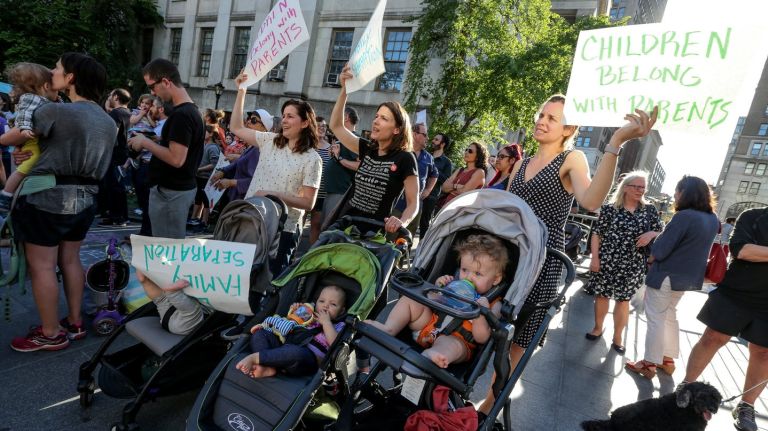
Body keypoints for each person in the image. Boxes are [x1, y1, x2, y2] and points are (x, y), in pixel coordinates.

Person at [477, 94, 657, 416]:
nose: (542, 121)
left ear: (568, 128)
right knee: (487, 326)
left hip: (543, 262)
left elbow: (591, 201)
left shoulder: (571, 159)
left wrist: (615, 143)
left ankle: (487, 408)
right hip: (509, 256)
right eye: (541, 115)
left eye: (552, 118)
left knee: (518, 340)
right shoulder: (520, 163)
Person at [7, 53, 116, 352]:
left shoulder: (55, 111)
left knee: (42, 266)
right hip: (87, 198)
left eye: (57, 68)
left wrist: (17, 149)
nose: (51, 72)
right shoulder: (108, 122)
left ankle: (50, 333)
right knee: (70, 259)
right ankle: (75, 322)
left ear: (70, 78)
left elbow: (19, 137)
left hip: (48, 195)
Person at [680, 207, 768, 431]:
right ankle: (687, 387)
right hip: (736, 292)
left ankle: (746, 406)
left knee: (764, 353)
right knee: (712, 338)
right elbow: (741, 250)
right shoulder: (752, 216)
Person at [625, 176, 719, 379]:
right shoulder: (712, 219)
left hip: (665, 275)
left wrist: (654, 246)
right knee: (669, 315)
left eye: (677, 190)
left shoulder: (684, 216)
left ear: (685, 192)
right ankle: (667, 359)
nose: (675, 194)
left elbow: (661, 249)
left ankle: (649, 362)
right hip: (686, 277)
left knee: (656, 318)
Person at [366, 234, 508, 368]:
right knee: (411, 300)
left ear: (496, 279)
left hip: (457, 339)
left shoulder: (494, 304)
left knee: (453, 345)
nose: (468, 278)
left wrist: (482, 313)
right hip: (428, 326)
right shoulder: (453, 283)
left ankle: (433, 355)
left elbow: (482, 338)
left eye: (477, 273)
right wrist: (438, 287)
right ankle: (389, 328)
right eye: (464, 270)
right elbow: (431, 300)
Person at [231, 72, 321, 276]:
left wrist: (273, 195)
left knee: (269, 283)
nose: (284, 120)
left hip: (283, 231)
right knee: (240, 279)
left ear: (305, 123)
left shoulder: (312, 159)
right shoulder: (269, 141)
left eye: (291, 116)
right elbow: (236, 127)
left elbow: (308, 203)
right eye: (284, 115)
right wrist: (242, 91)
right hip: (252, 221)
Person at [328, 64, 418, 234]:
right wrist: (344, 90)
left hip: (371, 235)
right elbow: (336, 126)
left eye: (384, 118)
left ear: (397, 129)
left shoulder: (405, 159)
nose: (375, 121)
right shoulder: (367, 148)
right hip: (343, 226)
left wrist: (401, 221)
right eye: (376, 116)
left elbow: (413, 203)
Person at [584, 171, 663, 355]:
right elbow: (597, 233)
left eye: (643, 187)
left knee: (623, 299)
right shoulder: (610, 209)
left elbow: (661, 230)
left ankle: (617, 337)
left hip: (633, 262)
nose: (640, 190)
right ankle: (598, 328)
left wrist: (651, 234)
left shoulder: (649, 210)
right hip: (607, 259)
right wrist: (595, 258)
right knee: (602, 295)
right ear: (626, 187)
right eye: (637, 186)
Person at [128, 58, 205, 239]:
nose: (152, 93)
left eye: (152, 87)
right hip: (175, 192)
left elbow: (176, 159)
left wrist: (145, 143)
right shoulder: (190, 111)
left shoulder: (182, 115)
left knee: (165, 250)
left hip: (171, 193)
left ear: (165, 82)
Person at [236, 285, 347, 378]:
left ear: (341, 311)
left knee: (295, 352)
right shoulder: (309, 314)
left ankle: (257, 357)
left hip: (307, 360)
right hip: (284, 348)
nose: (325, 305)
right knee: (260, 334)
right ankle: (267, 367)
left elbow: (336, 345)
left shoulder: (339, 326)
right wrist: (295, 310)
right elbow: (290, 323)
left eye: (333, 304)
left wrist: (326, 323)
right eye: (321, 301)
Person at [0, 62, 59, 213]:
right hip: (31, 138)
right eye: (55, 88)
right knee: (25, 167)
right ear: (46, 86)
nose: (58, 93)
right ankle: (6, 194)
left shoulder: (42, 100)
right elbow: (25, 115)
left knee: (24, 166)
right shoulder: (32, 98)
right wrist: (25, 129)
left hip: (31, 139)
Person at [210, 109, 269, 204]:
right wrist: (223, 172)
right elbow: (240, 162)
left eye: (254, 120)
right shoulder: (253, 146)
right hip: (236, 197)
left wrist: (230, 182)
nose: (248, 122)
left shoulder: (259, 149)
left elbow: (255, 181)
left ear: (264, 127)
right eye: (249, 119)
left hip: (243, 200)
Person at [134, 271, 209, 335]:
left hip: (171, 319)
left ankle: (145, 280)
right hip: (175, 322)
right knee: (162, 301)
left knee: (162, 301)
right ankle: (171, 291)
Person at [98, 88, 132, 226]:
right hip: (123, 153)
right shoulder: (128, 113)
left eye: (110, 95)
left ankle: (118, 217)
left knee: (114, 186)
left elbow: (112, 134)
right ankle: (117, 216)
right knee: (117, 186)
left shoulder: (116, 113)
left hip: (115, 154)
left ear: (116, 97)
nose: (109, 97)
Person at [322, 106, 361, 225]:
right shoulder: (344, 139)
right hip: (332, 193)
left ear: (346, 118)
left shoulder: (353, 139)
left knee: (329, 229)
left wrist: (339, 158)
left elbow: (361, 165)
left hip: (340, 194)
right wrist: (334, 156)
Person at [419, 133, 453, 237]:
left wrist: (433, 170)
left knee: (424, 223)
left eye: (436, 140)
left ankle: (422, 246)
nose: (433, 141)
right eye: (434, 139)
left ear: (442, 144)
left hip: (431, 196)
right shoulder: (425, 155)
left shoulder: (447, 162)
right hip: (417, 191)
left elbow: (445, 180)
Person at [189, 125, 221, 228]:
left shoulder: (213, 147)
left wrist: (199, 169)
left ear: (211, 134)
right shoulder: (204, 145)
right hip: (200, 176)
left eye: (205, 132)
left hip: (207, 178)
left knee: (206, 200)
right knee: (198, 198)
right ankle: (194, 218)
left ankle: (204, 222)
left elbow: (214, 164)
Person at [439, 142, 487, 207]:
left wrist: (451, 188)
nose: (466, 152)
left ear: (478, 157)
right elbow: (444, 187)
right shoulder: (460, 170)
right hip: (446, 206)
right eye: (466, 150)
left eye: (470, 151)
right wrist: (457, 186)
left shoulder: (479, 172)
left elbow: (464, 192)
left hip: (460, 210)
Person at [309, 116, 332, 244]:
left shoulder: (331, 148)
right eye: (319, 126)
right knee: (298, 222)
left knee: (316, 225)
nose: (322, 128)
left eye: (324, 126)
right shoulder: (307, 146)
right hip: (305, 191)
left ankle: (310, 252)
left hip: (322, 194)